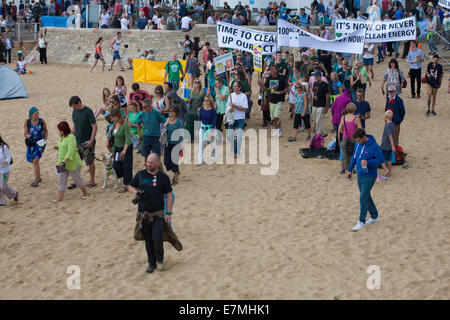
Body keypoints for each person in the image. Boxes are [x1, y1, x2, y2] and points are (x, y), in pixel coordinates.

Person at [129, 153, 174, 273]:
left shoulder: (164, 177)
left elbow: (169, 196)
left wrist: (168, 213)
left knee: (157, 238)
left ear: (158, 163)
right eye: (147, 162)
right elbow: (131, 186)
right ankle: (151, 263)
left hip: (158, 214)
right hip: (143, 214)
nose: (148, 165)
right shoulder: (140, 175)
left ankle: (160, 261)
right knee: (148, 240)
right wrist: (135, 192)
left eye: (151, 163)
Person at [348, 128, 385, 231]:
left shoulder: (374, 146)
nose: (357, 142)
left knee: (363, 196)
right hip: (360, 174)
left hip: (370, 175)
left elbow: (380, 160)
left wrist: (368, 162)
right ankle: (374, 216)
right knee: (366, 196)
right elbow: (354, 158)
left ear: (363, 137)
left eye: (358, 140)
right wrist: (350, 169)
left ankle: (361, 221)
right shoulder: (358, 144)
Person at [53, 121, 89, 202]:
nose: (59, 131)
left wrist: (64, 161)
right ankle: (59, 199)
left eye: (61, 130)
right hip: (62, 163)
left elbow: (71, 151)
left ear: (65, 129)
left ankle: (85, 194)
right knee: (61, 180)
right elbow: (62, 146)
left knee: (77, 179)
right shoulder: (61, 136)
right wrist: (57, 147)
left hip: (72, 163)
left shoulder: (71, 137)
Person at [70, 96, 97, 189]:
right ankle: (76, 180)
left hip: (87, 142)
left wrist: (91, 140)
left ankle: (92, 181)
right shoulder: (74, 112)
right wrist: (70, 136)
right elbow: (75, 125)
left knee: (90, 161)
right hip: (77, 141)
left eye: (74, 106)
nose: (73, 108)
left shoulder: (88, 111)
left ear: (79, 103)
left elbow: (94, 126)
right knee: (76, 162)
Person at [107, 108, 133, 193]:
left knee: (126, 167)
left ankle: (126, 185)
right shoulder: (114, 124)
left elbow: (128, 139)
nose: (113, 119)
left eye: (114, 117)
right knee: (116, 166)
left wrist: (124, 151)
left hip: (126, 148)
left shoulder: (125, 125)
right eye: (112, 117)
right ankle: (128, 180)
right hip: (117, 148)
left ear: (118, 116)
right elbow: (114, 136)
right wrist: (110, 131)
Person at [24, 107, 48, 187]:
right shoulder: (27, 122)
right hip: (31, 143)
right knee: (34, 161)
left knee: (36, 160)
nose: (37, 115)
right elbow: (25, 133)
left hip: (40, 143)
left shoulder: (41, 121)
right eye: (35, 113)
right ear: (31, 115)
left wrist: (45, 138)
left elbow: (46, 131)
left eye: (38, 113)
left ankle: (37, 179)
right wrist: (28, 136)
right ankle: (38, 177)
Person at [264, 65, 288, 137]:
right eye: (271, 70)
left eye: (274, 69)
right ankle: (278, 130)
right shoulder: (269, 78)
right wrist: (265, 87)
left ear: (277, 70)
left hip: (279, 100)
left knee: (276, 117)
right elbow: (265, 87)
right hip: (271, 100)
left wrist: (281, 92)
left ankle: (278, 131)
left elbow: (287, 88)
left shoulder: (281, 78)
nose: (272, 71)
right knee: (274, 118)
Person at [226, 81, 248, 157]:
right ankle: (234, 147)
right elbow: (227, 106)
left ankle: (237, 152)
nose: (234, 87)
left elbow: (245, 109)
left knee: (239, 136)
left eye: (235, 86)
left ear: (239, 88)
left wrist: (235, 107)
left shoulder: (243, 96)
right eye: (233, 86)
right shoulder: (231, 95)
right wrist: (230, 108)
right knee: (229, 135)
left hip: (240, 119)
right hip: (232, 118)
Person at [338, 103, 362, 173]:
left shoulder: (343, 117)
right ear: (354, 109)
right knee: (353, 154)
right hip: (353, 139)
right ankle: (352, 168)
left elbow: (340, 130)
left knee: (344, 154)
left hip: (345, 138)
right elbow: (360, 130)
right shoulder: (356, 118)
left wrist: (344, 132)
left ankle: (343, 168)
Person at [163, 106, 183, 184]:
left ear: (175, 113)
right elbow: (163, 132)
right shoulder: (166, 120)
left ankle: (175, 179)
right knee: (166, 162)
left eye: (171, 111)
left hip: (176, 144)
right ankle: (176, 171)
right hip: (167, 144)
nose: (169, 112)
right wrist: (164, 127)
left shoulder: (179, 122)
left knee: (174, 162)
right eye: (169, 111)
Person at [0, 133, 18, 206]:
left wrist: (5, 162)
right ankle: (2, 202)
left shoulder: (4, 147)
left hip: (4, 171)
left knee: (3, 186)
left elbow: (9, 158)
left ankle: (14, 194)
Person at [311, 71, 330, 137]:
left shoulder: (325, 84)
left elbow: (327, 95)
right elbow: (314, 92)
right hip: (314, 103)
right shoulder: (314, 83)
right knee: (314, 120)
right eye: (315, 76)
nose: (316, 77)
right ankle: (323, 133)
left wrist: (326, 106)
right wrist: (313, 97)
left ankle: (318, 135)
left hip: (321, 104)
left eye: (317, 76)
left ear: (320, 76)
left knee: (318, 120)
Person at [379, 110, 396, 177]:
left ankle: (386, 170)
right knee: (389, 159)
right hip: (389, 146)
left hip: (385, 146)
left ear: (385, 118)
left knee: (381, 158)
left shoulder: (387, 126)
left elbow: (390, 136)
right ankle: (389, 172)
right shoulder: (392, 124)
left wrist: (392, 146)